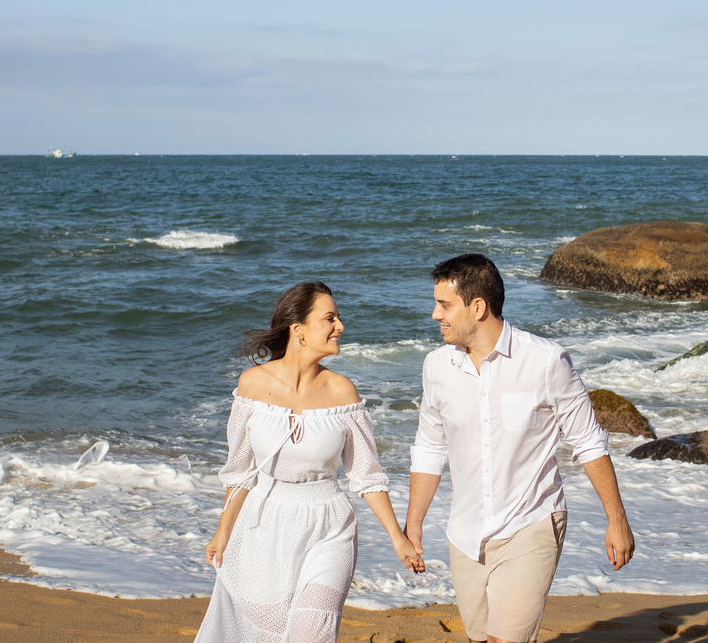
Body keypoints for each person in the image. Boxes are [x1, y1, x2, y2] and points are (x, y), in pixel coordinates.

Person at [405, 254, 634, 643]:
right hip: (465, 531)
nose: (434, 315)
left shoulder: (546, 360)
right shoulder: (436, 367)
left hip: (532, 523)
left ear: (477, 307)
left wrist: (616, 518)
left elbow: (588, 441)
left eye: (444, 305)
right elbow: (429, 446)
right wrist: (413, 524)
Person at [195, 281, 424, 643]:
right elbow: (240, 471)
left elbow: (366, 476)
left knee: (311, 632)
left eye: (339, 318)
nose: (341, 327)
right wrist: (223, 530)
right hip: (264, 523)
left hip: (328, 525)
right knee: (266, 632)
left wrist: (398, 539)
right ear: (298, 330)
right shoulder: (252, 385)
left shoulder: (343, 392)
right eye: (330, 318)